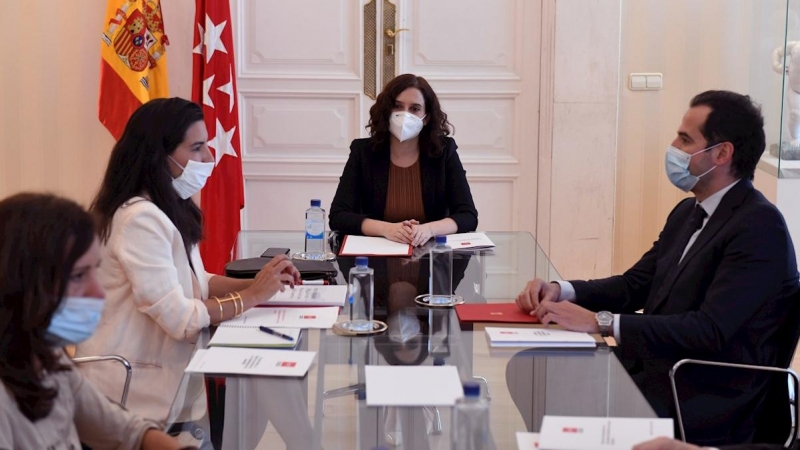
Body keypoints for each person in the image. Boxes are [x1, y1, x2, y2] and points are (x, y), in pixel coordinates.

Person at [515, 90, 799, 446]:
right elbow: (635, 284)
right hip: (659, 364)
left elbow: (709, 330)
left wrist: (600, 321)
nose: (673, 146)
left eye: (685, 139)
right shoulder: (687, 212)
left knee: (553, 381)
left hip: (705, 389)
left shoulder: (759, 226)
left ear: (722, 153)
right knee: (534, 367)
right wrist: (562, 289)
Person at [76, 98, 301, 422]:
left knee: (267, 391)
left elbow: (198, 282)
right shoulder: (139, 219)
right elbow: (179, 317)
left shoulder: (166, 207)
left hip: (171, 390)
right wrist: (252, 296)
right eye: (196, 148)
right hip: (129, 399)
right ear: (158, 155)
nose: (209, 157)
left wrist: (262, 282)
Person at [0, 193, 189, 449]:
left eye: (94, 270)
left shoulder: (46, 359)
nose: (98, 293)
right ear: (20, 283)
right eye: (78, 276)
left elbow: (125, 430)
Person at [329, 73, 478, 247]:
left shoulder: (444, 151)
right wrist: (387, 229)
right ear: (387, 110)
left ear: (426, 117)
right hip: (375, 258)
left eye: (415, 109)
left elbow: (468, 215)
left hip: (430, 256)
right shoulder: (363, 152)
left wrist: (428, 229)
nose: (404, 115)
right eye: (397, 106)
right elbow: (338, 216)